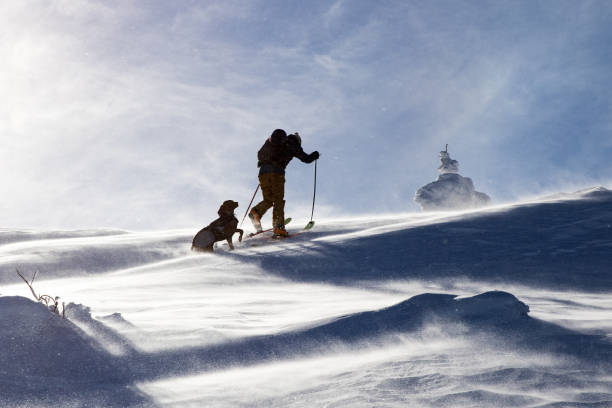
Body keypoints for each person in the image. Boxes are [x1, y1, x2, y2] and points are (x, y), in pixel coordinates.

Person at [249, 129, 319, 237]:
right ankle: (279, 227)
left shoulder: (272, 141)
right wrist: (314, 155)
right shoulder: (292, 143)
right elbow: (305, 158)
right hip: (277, 173)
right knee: (278, 200)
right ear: (298, 141)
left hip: (263, 173)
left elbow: (260, 154)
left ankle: (256, 213)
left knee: (268, 200)